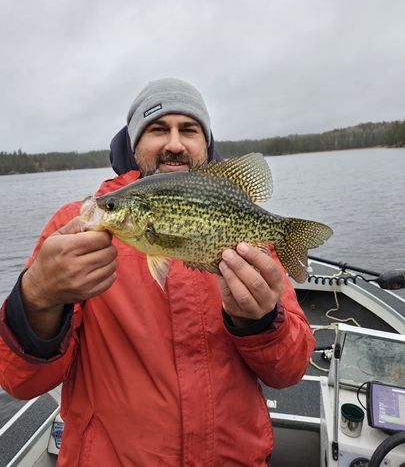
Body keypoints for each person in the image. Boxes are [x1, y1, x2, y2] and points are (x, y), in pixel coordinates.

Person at [0, 78, 315, 466]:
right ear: (134, 145)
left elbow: (290, 371)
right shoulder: (77, 228)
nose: (175, 143)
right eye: (158, 129)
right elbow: (19, 381)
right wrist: (38, 296)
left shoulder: (248, 243)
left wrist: (263, 320)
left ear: (206, 144)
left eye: (189, 129)